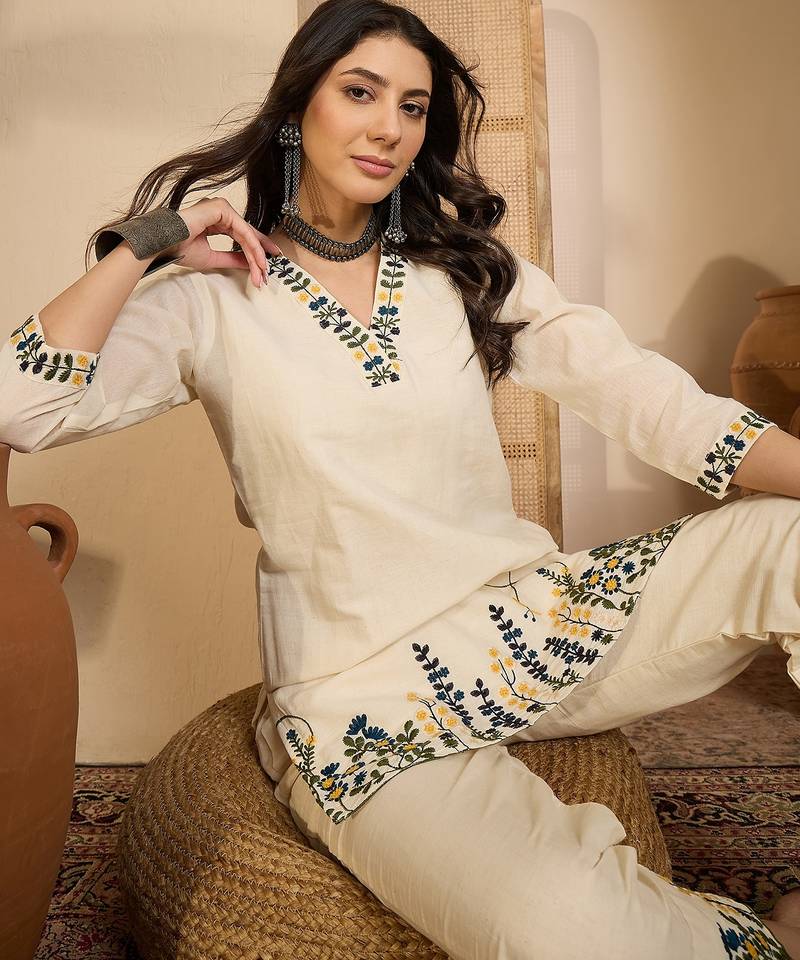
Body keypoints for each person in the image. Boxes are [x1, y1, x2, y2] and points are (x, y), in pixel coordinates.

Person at [1, 0, 798, 955]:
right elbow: (18, 408)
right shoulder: (209, 301)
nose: (389, 126)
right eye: (360, 92)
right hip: (356, 699)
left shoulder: (463, 273)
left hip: (531, 629)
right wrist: (147, 242)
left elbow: (657, 405)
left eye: (413, 107)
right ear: (297, 107)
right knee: (567, 925)